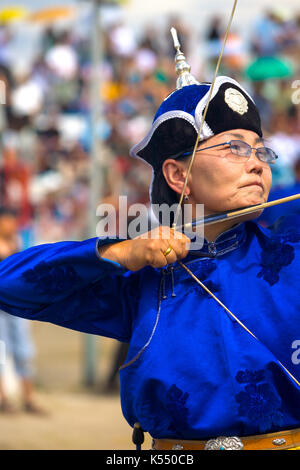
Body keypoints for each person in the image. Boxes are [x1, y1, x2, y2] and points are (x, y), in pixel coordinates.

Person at [0, 46, 299, 451]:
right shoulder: (139, 277)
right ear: (178, 174)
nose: (258, 164)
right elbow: (9, 285)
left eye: (260, 149)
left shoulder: (290, 255)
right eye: (234, 148)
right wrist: (120, 253)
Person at [0, 208, 46, 414]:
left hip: (17, 305)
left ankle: (28, 397)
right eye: (6, 221)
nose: (10, 225)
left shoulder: (19, 241)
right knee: (1, 351)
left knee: (24, 350)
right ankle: (3, 398)